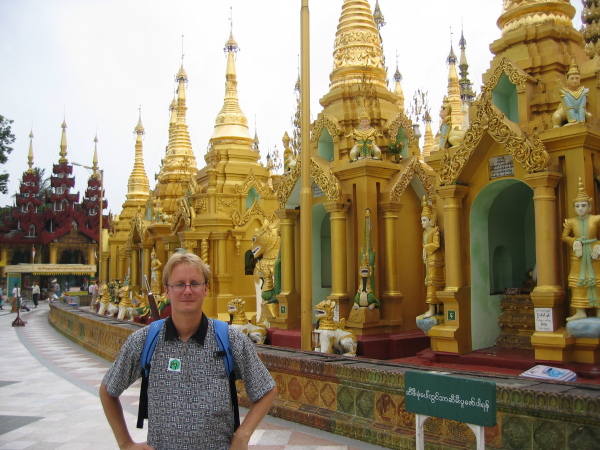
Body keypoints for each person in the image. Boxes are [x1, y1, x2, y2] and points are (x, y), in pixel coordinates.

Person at [100, 251, 277, 449]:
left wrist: (243, 435)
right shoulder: (144, 341)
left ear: (206, 289)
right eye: (179, 284)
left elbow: (266, 389)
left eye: (195, 283)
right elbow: (108, 390)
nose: (187, 291)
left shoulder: (229, 339)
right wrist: (126, 444)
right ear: (166, 290)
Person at [561, 178, 600, 321]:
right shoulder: (571, 222)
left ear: (589, 207)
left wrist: (598, 246)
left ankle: (599, 311)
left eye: (583, 205)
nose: (580, 209)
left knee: (597, 281)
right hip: (578, 254)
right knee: (578, 281)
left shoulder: (596, 219)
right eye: (577, 206)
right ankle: (580, 311)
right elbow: (564, 237)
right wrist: (574, 241)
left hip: (594, 253)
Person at [421, 196, 444, 318]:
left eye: (424, 220)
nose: (422, 223)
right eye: (422, 220)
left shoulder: (435, 231)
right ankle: (432, 308)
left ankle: (434, 308)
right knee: (428, 282)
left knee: (433, 284)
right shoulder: (425, 233)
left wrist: (425, 248)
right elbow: (424, 245)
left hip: (435, 260)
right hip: (429, 260)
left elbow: (437, 244)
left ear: (431, 220)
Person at [552, 59, 592, 128]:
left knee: (589, 116)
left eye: (577, 78)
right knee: (557, 117)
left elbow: (582, 106)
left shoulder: (583, 91)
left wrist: (581, 121)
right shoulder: (564, 92)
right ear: (567, 79)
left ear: (580, 79)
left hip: (579, 111)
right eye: (572, 78)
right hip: (566, 112)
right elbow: (568, 107)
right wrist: (573, 121)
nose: (575, 81)